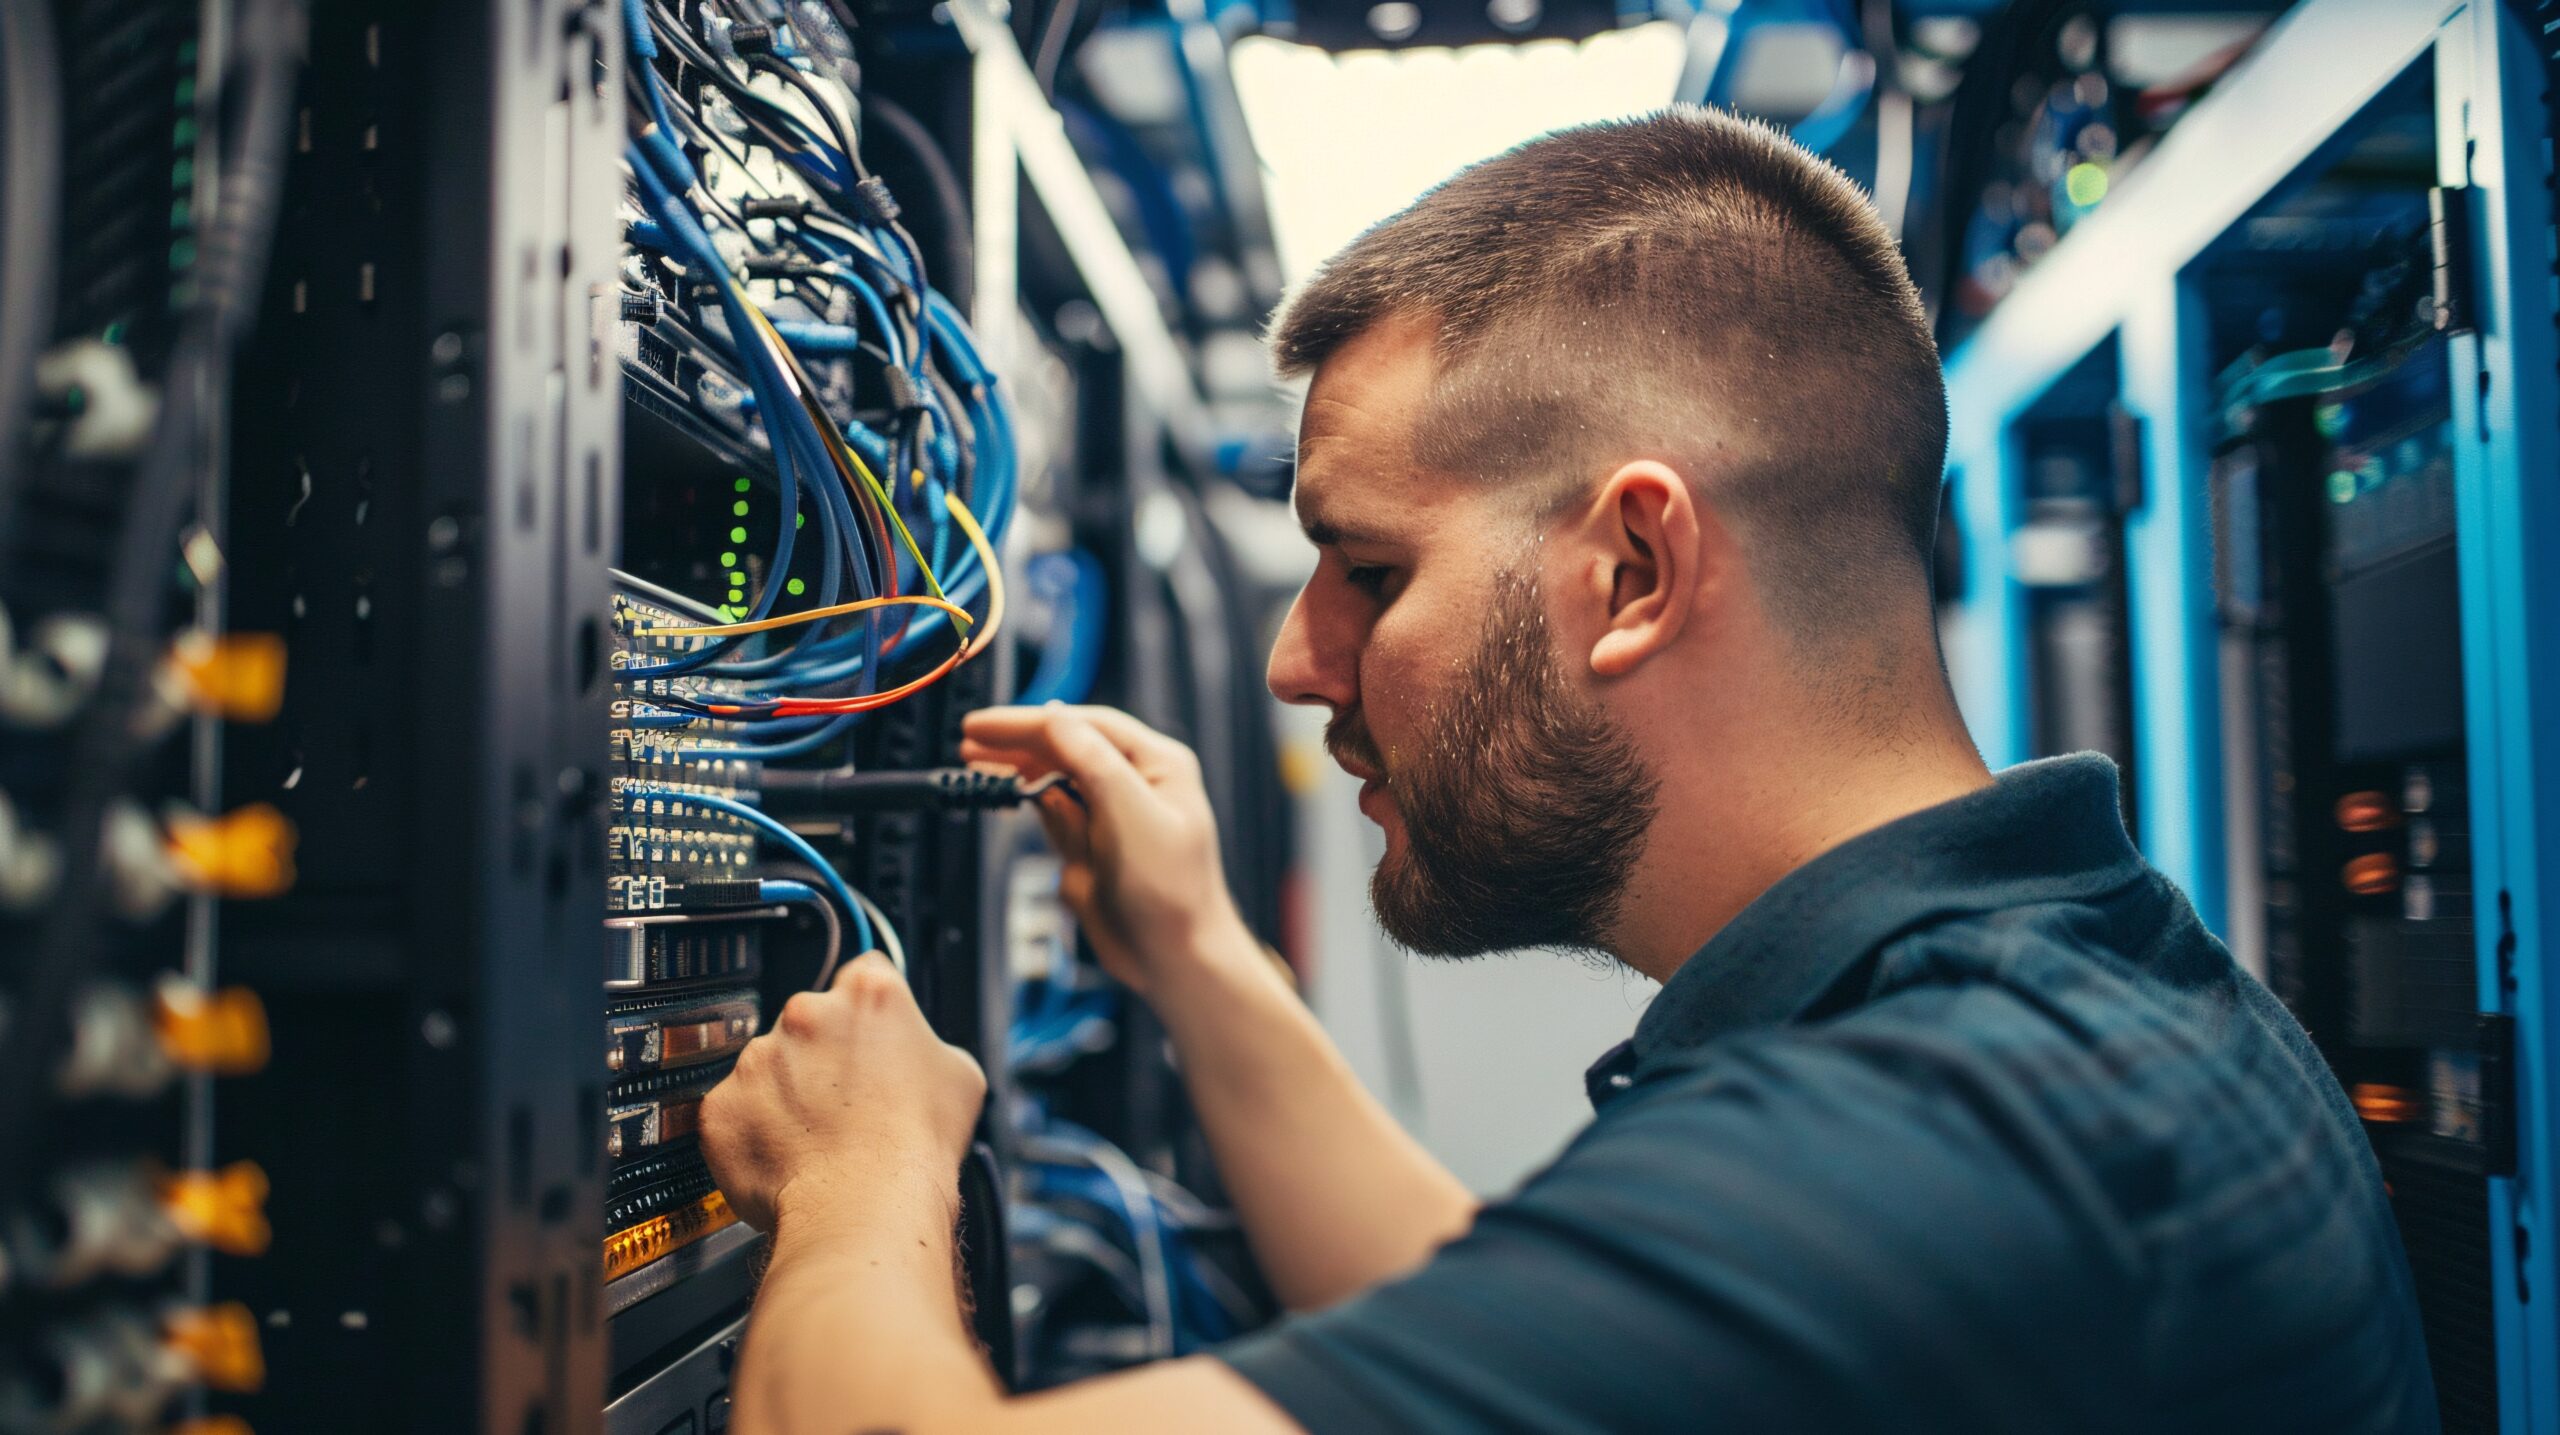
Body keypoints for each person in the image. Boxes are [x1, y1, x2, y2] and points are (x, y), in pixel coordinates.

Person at [697, 105, 2436, 1433]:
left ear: (1636, 570)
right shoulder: (2071, 1005)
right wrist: (1199, 960)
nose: (1296, 660)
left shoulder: (1963, 1139)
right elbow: (1505, 1331)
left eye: (1368, 570)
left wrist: (863, 1179)